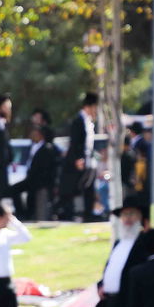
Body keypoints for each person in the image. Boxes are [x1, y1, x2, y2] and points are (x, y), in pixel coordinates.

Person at [59, 93, 99, 222]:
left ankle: (89, 213)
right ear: (89, 106)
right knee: (72, 188)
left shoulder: (89, 121)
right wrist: (78, 159)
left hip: (88, 160)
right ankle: (68, 214)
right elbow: (75, 142)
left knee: (89, 188)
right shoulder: (78, 121)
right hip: (77, 161)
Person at [24, 125, 61, 222]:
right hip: (36, 182)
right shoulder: (35, 147)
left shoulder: (46, 149)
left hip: (42, 183)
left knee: (42, 209)